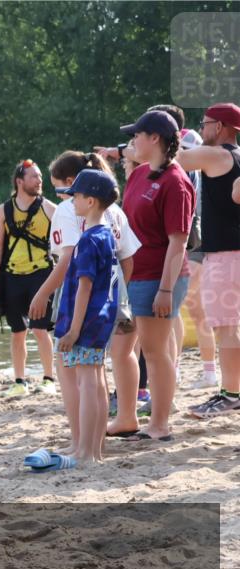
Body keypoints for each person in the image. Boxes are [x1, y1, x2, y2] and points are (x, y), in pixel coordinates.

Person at [33, 151, 140, 442]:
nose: (64, 197)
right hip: (112, 300)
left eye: (63, 190)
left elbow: (68, 262)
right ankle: (106, 431)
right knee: (100, 369)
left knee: (71, 369)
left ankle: (82, 438)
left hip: (80, 303)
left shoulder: (72, 212)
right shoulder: (113, 211)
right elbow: (128, 260)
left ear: (75, 186)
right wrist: (115, 298)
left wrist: (43, 293)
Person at [117, 110, 194, 442]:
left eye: (138, 134)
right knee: (122, 349)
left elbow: (178, 242)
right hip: (133, 277)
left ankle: (160, 425)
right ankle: (126, 417)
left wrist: (165, 290)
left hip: (160, 278)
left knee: (155, 351)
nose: (133, 140)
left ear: (155, 139)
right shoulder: (138, 175)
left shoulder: (176, 182)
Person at [174, 103, 240, 417]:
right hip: (232, 254)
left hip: (225, 256)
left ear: (221, 126)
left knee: (226, 328)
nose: (202, 129)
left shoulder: (219, 156)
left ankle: (230, 394)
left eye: (205, 123)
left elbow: (175, 158)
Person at [54, 169, 121, 464]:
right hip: (101, 318)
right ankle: (92, 450)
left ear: (91, 201)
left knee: (87, 383)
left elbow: (84, 288)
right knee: (94, 380)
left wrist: (72, 330)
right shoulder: (105, 235)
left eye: (76, 197)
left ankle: (84, 451)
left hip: (86, 321)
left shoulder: (89, 240)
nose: (72, 202)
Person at [0, 159, 57, 397]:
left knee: (40, 329)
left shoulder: (50, 209)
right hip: (12, 276)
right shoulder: (3, 210)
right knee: (17, 331)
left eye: (39, 176)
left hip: (41, 276)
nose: (39, 180)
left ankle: (48, 379)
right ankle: (19, 382)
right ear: (20, 181)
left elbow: (62, 246)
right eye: (34, 176)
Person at [177, 128, 220, 390]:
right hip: (194, 244)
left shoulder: (205, 175)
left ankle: (199, 371)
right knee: (195, 310)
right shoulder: (190, 174)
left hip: (199, 246)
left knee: (183, 305)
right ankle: (208, 372)